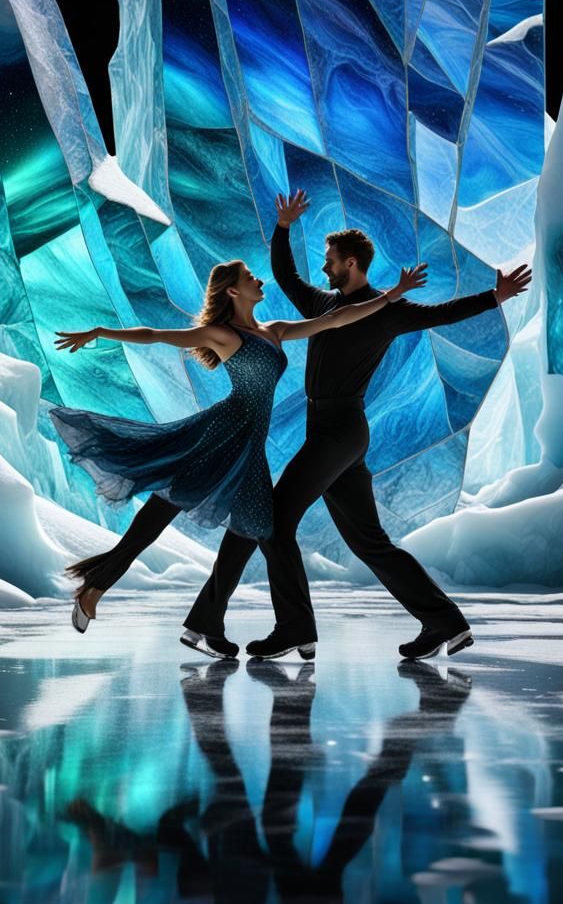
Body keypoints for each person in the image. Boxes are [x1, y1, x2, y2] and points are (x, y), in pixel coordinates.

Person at [181, 189, 531, 661]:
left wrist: (496, 296)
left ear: (351, 263)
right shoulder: (323, 306)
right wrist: (283, 227)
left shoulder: (389, 310)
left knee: (275, 519)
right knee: (368, 540)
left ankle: (293, 628)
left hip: (340, 430)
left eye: (330, 260)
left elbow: (443, 314)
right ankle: (445, 623)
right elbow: (284, 275)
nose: (324, 266)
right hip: (330, 431)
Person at [50, 253, 426, 637]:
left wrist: (391, 296)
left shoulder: (274, 330)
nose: (258, 280)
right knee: (165, 509)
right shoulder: (224, 334)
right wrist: (100, 331)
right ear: (233, 290)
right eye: (250, 277)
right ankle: (96, 587)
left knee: (253, 526)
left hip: (249, 445)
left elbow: (333, 319)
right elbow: (156, 335)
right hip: (220, 434)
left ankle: (205, 626)